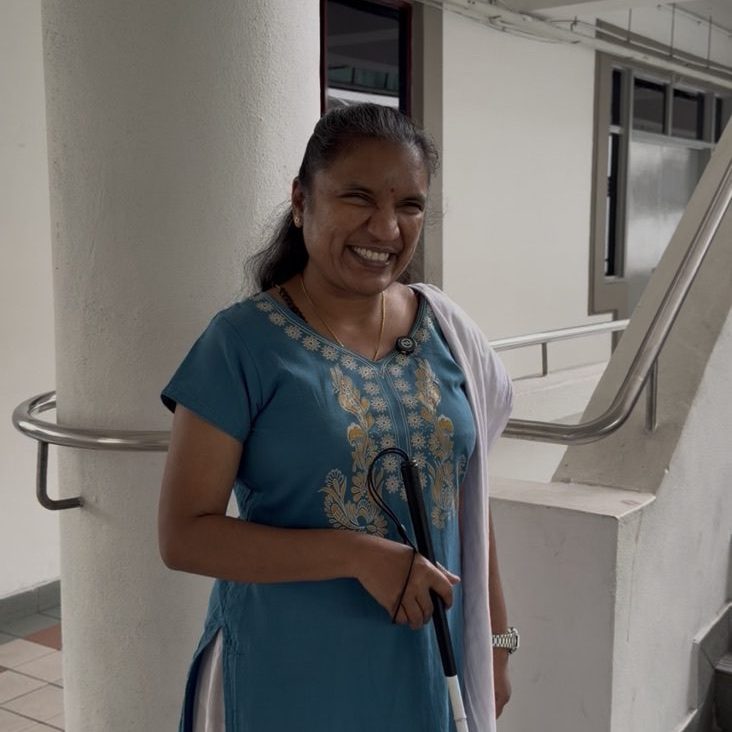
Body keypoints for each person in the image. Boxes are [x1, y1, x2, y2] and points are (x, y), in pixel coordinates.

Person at [158, 103, 514, 732]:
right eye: (358, 197)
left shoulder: (446, 332)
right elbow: (184, 536)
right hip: (289, 672)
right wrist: (357, 555)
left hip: (429, 667)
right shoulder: (241, 345)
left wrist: (499, 643)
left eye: (410, 205)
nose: (387, 228)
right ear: (301, 201)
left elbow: (465, 499)